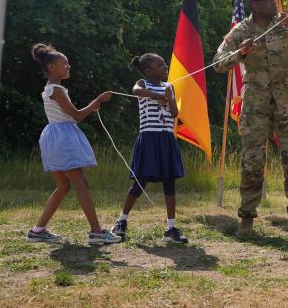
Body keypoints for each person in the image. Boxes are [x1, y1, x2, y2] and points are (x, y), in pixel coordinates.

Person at [213, 0, 288, 236]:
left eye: (273, 0)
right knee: (252, 161)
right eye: (267, 2)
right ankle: (247, 219)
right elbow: (218, 63)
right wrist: (240, 53)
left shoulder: (286, 22)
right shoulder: (241, 31)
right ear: (255, 6)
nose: (274, 4)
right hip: (256, 105)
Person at [27, 43, 122, 245]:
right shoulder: (57, 90)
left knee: (63, 186)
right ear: (52, 67)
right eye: (65, 63)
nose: (68, 67)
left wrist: (93, 105)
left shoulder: (52, 89)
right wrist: (96, 101)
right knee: (80, 183)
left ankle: (37, 230)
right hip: (62, 137)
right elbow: (77, 116)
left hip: (54, 136)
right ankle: (96, 232)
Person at [111, 53, 188, 243]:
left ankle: (171, 227)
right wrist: (158, 96)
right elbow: (136, 91)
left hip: (166, 138)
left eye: (164, 64)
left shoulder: (169, 87)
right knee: (140, 181)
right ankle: (121, 221)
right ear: (148, 71)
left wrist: (169, 99)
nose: (165, 67)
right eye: (160, 65)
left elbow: (175, 113)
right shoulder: (143, 83)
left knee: (169, 181)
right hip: (149, 138)